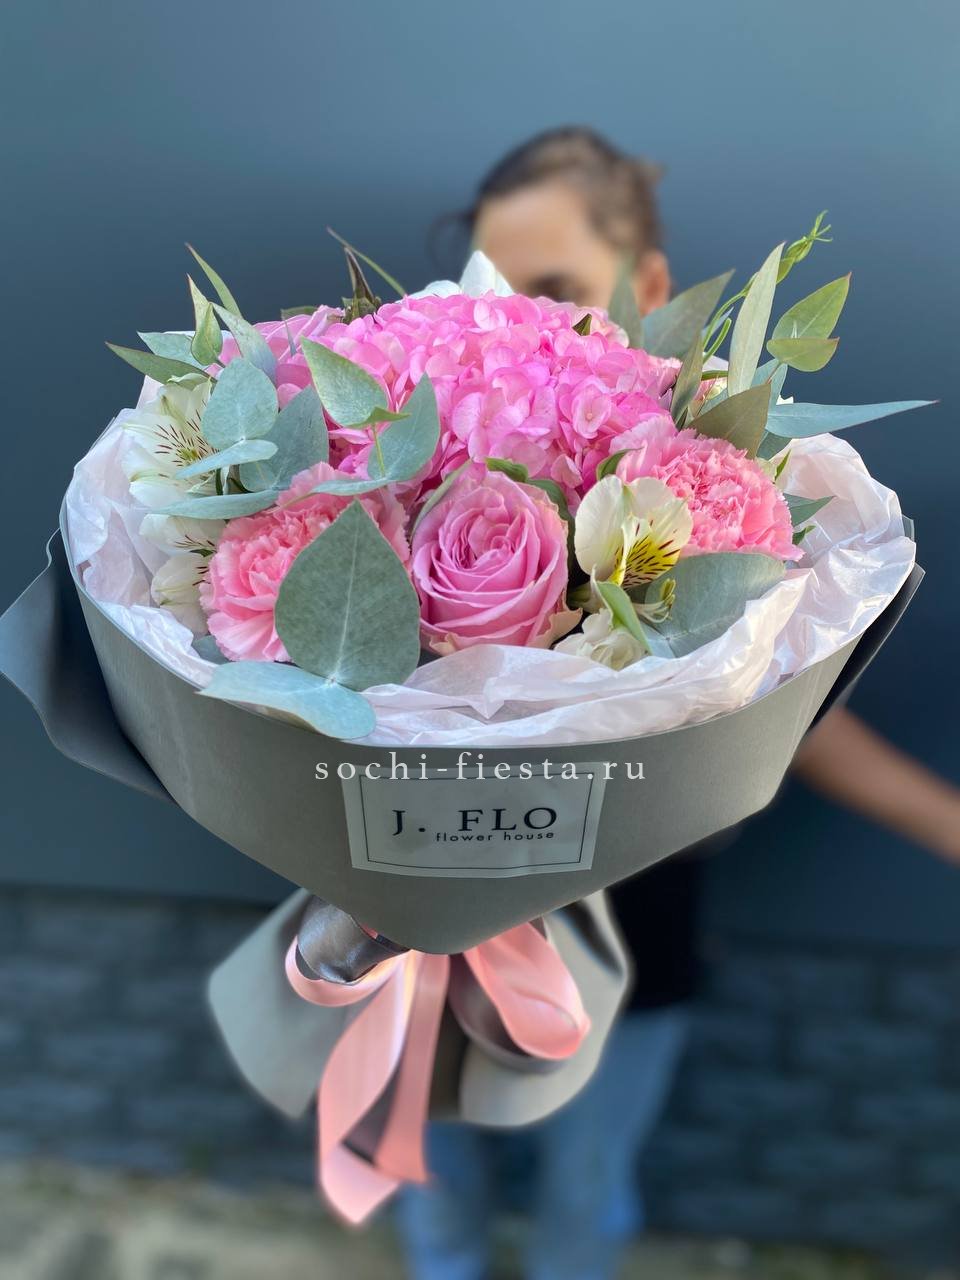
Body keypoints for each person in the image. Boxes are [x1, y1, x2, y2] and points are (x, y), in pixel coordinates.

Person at [397, 127, 960, 1280]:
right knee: (428, 1174)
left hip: (627, 941)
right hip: (417, 923)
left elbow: (789, 705)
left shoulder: (709, 481)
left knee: (587, 1190)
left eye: (555, 284)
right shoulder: (414, 462)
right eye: (495, 288)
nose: (520, 317)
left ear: (648, 284)